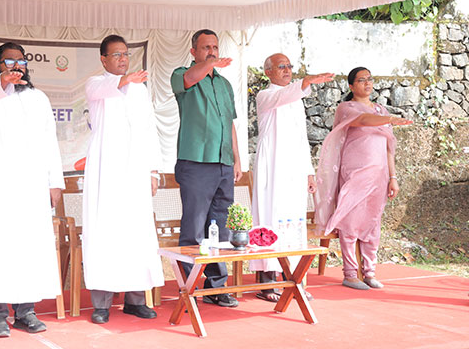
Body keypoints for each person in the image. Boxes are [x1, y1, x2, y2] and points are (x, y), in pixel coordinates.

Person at [0, 42, 65, 338]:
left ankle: (25, 312)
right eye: (9, 61)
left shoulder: (38, 98)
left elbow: (49, 141)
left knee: (27, 246)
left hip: (31, 185)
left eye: (21, 61)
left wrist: (54, 182)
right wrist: (2, 82)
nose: (17, 66)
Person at [82, 34, 164, 324]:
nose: (123, 59)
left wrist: (153, 171)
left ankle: (135, 300)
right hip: (106, 172)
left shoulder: (139, 89)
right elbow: (104, 89)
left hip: (136, 172)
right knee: (105, 233)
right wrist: (125, 80)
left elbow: (149, 130)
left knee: (136, 232)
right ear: (103, 59)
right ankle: (102, 304)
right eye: (116, 55)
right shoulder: (96, 83)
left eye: (126, 54)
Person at [315, 67, 412, 290]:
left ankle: (369, 272)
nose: (367, 83)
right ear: (351, 86)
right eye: (361, 80)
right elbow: (362, 120)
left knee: (373, 222)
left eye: (370, 79)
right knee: (350, 221)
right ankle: (350, 274)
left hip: (379, 174)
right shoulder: (346, 108)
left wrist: (393, 177)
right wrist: (389, 119)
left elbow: (388, 148)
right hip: (355, 172)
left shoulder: (380, 109)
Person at [250, 53, 334, 302]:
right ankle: (267, 283)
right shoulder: (265, 95)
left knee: (292, 222)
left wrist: (309, 172)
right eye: (281, 67)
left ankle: (293, 281)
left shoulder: (296, 100)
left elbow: (301, 139)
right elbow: (283, 96)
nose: (287, 70)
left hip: (294, 170)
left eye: (289, 66)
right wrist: (306, 82)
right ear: (268, 72)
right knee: (269, 217)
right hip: (273, 167)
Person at [171, 29, 241, 307]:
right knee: (194, 228)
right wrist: (210, 65)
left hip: (223, 162)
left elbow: (230, 123)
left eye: (215, 47)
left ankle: (216, 287)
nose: (212, 51)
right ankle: (187, 287)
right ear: (194, 52)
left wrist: (236, 159)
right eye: (206, 48)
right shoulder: (182, 74)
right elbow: (190, 78)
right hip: (196, 162)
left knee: (221, 228)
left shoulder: (224, 84)